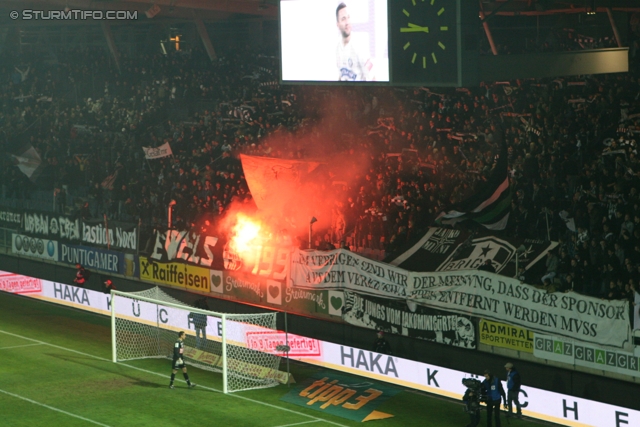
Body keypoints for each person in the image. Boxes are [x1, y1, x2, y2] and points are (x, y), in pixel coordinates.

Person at [335, 3, 372, 81]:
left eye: (348, 17)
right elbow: (340, 76)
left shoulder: (359, 46)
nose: (347, 22)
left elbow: (372, 78)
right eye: (343, 19)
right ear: (337, 24)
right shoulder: (337, 47)